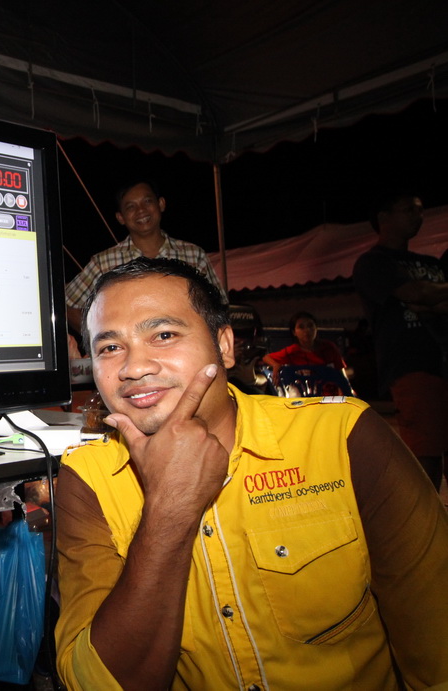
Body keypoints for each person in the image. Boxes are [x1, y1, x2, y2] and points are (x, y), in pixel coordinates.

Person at [54, 257, 448, 690]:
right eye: (109, 348)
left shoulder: (343, 437)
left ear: (224, 345)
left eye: (164, 335)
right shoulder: (87, 477)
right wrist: (169, 510)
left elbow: (435, 649)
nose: (133, 367)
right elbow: (93, 681)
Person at [353, 190, 448, 489]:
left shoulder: (431, 263)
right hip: (412, 366)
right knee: (426, 453)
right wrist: (424, 297)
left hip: (443, 360)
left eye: (420, 210)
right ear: (384, 217)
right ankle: (426, 515)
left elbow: (428, 300)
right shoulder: (373, 263)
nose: (418, 216)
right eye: (408, 210)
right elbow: (417, 294)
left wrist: (427, 298)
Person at [64, 178, 227, 330]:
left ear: (161, 204)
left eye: (147, 201)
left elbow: (219, 305)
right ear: (120, 217)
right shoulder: (103, 262)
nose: (141, 210)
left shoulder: (194, 255)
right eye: (131, 207)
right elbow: (67, 304)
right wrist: (99, 338)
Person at [261, 310, 349, 387]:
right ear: (294, 332)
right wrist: (275, 365)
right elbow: (265, 358)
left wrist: (347, 389)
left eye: (310, 326)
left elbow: (341, 371)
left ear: (316, 328)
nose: (307, 330)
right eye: (301, 327)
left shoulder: (329, 347)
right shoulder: (292, 351)